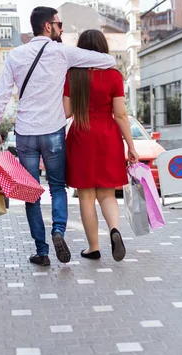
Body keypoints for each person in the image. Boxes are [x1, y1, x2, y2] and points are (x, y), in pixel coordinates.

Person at [0, 7, 116, 266]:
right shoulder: (62, 52)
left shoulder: (15, 55)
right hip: (53, 132)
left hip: (25, 134)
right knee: (57, 188)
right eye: (59, 24)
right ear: (48, 26)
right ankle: (58, 231)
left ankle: (42, 252)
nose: (61, 29)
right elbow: (107, 61)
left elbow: (1, 98)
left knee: (31, 193)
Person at [63, 29, 139, 262]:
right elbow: (121, 115)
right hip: (107, 137)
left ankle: (93, 248)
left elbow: (66, 112)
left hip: (81, 137)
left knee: (86, 197)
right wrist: (131, 146)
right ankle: (114, 230)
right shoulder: (114, 76)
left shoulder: (72, 75)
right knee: (107, 194)